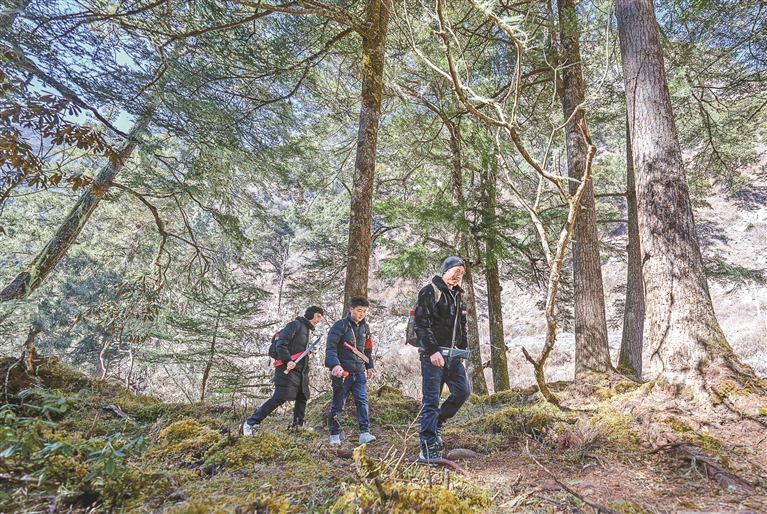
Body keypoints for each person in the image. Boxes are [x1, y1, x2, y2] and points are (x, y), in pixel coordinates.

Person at [414, 256, 470, 461]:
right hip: (433, 356)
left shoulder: (457, 296)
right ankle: (427, 447)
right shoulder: (430, 291)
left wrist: (462, 350)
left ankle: (437, 421)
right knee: (431, 400)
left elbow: (461, 326)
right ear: (445, 270)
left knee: (462, 392)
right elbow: (421, 323)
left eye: (461, 273)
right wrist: (432, 351)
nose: (458, 276)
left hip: (453, 356)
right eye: (455, 271)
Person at [243, 306, 324, 435]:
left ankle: (298, 425)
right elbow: (281, 344)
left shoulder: (306, 330)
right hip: (286, 369)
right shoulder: (294, 325)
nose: (319, 320)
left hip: (300, 371)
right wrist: (287, 360)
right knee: (280, 397)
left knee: (302, 396)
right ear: (310, 314)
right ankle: (251, 423)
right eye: (318, 316)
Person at [325, 296, 376, 445]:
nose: (362, 314)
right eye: (359, 310)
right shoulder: (339, 326)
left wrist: (369, 366)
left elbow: (367, 349)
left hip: (359, 372)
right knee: (338, 403)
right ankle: (335, 434)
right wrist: (335, 365)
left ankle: (364, 433)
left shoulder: (365, 328)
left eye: (364, 311)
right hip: (342, 373)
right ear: (351, 309)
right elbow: (331, 348)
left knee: (362, 401)